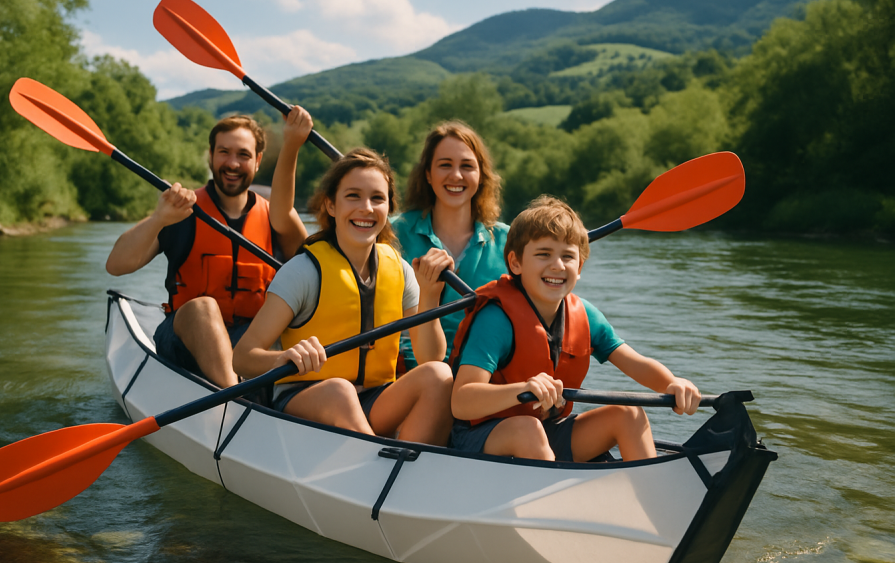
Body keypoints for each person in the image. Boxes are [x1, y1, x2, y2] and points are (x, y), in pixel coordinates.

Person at [448, 196, 702, 462]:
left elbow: (635, 362)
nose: (557, 265)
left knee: (628, 414)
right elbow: (462, 401)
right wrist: (523, 388)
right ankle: (554, 500)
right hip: (479, 438)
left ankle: (650, 494)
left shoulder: (585, 315)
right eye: (543, 254)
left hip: (546, 430)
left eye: (568, 256)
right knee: (528, 430)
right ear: (516, 263)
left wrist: (672, 383)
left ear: (579, 267)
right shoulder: (496, 319)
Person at [233, 149, 455, 446]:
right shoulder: (303, 271)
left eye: (377, 198)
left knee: (439, 375)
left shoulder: (400, 270)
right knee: (340, 391)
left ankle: (409, 465)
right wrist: (283, 357)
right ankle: (380, 464)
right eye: (353, 196)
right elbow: (243, 358)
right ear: (331, 205)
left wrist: (429, 296)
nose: (366, 208)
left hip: (375, 399)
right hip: (307, 398)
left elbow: (430, 357)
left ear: (389, 208)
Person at [105, 109, 313, 388]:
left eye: (243, 154)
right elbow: (116, 265)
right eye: (224, 152)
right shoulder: (182, 211)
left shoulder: (276, 217)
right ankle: (234, 396)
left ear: (258, 160)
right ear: (211, 156)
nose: (232, 163)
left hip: (252, 347)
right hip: (186, 344)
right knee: (203, 307)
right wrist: (159, 219)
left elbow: (316, 274)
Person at [391, 121, 509, 370]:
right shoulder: (390, 234)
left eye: (467, 166)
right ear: (427, 174)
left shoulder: (511, 242)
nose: (456, 175)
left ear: (481, 176)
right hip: (410, 376)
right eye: (445, 165)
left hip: (483, 377)